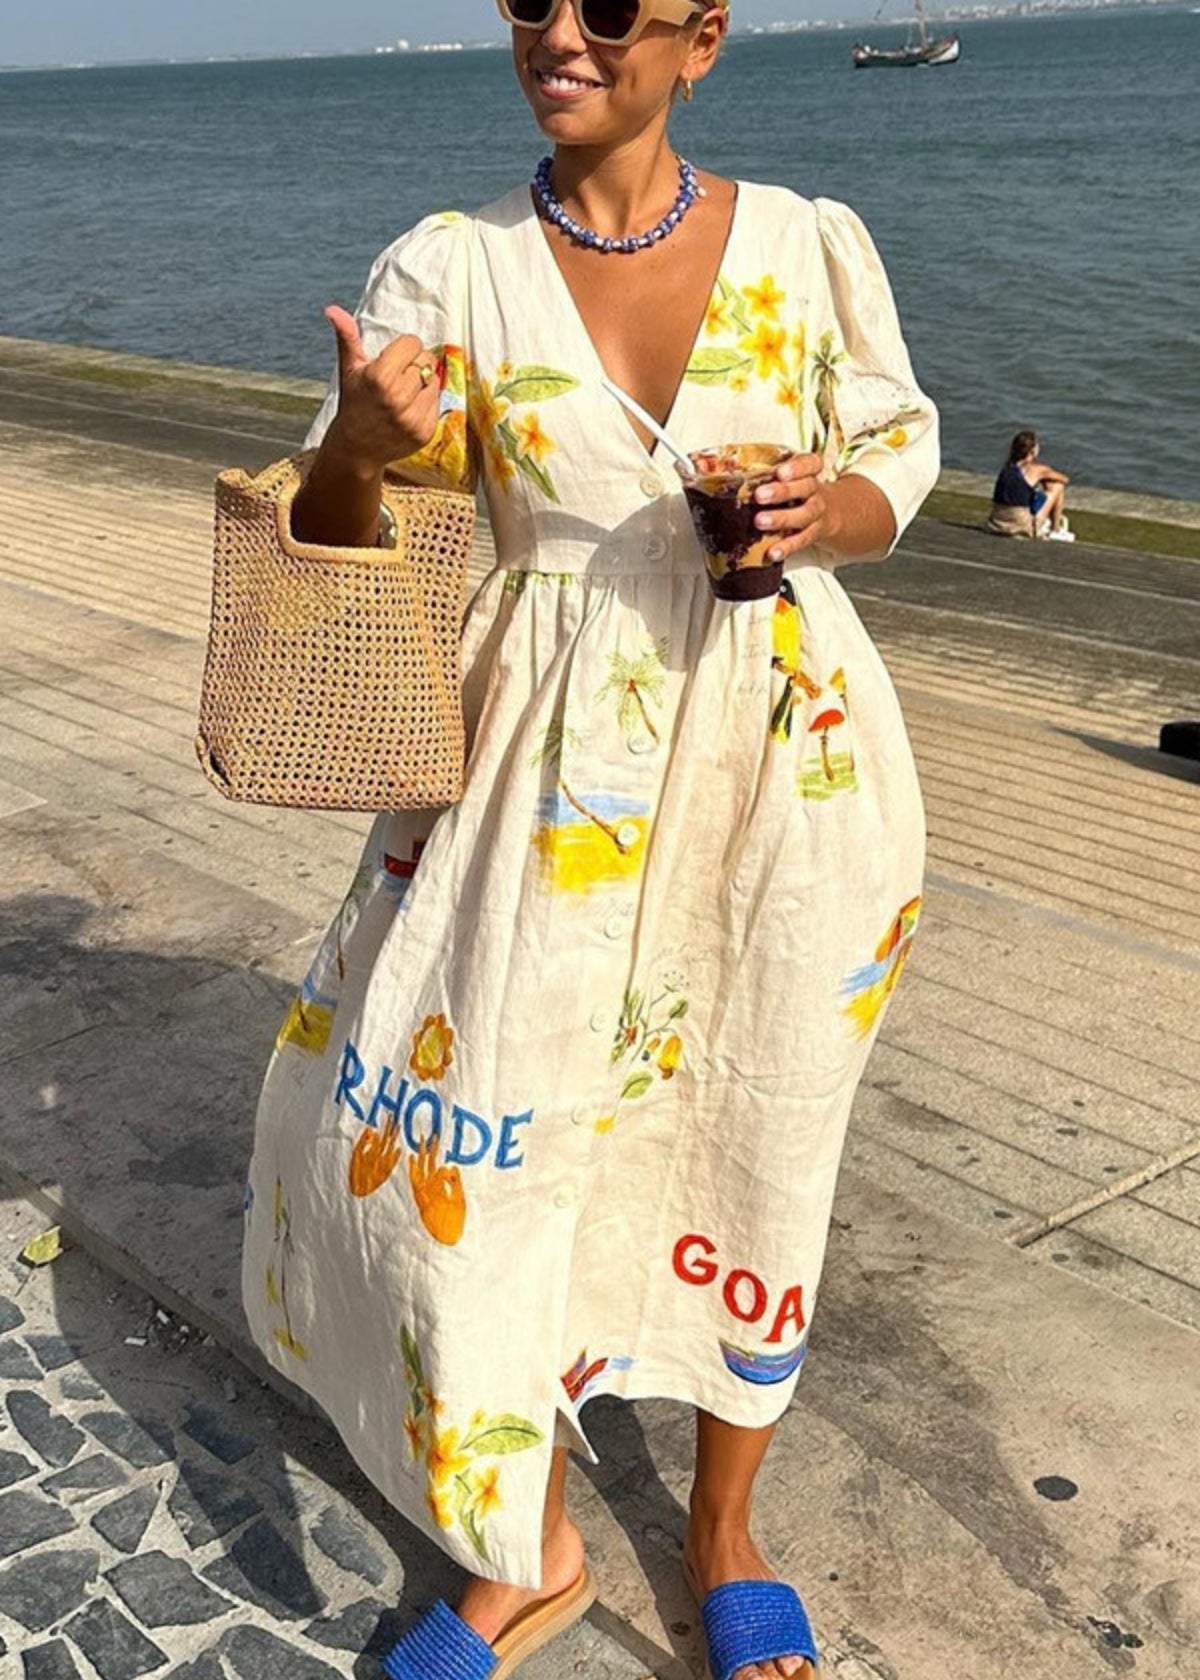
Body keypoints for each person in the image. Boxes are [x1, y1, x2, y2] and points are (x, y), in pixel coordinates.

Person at [239, 3, 940, 1677]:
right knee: (493, 1149)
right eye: (530, 0)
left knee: (756, 1129)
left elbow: (895, 457)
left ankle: (722, 1532)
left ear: (701, 40)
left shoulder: (808, 243)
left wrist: (817, 511)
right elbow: (352, 532)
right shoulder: (448, 267)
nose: (563, 31)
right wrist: (356, 448)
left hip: (782, 759)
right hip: (526, 772)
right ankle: (529, 1544)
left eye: (612, 8)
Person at [988, 429, 1075, 541]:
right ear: (1032, 450)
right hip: (1020, 524)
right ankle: (1055, 530)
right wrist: (1044, 478)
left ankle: (1049, 525)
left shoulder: (1007, 468)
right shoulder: (1037, 469)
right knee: (1057, 486)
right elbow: (1064, 479)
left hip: (997, 521)